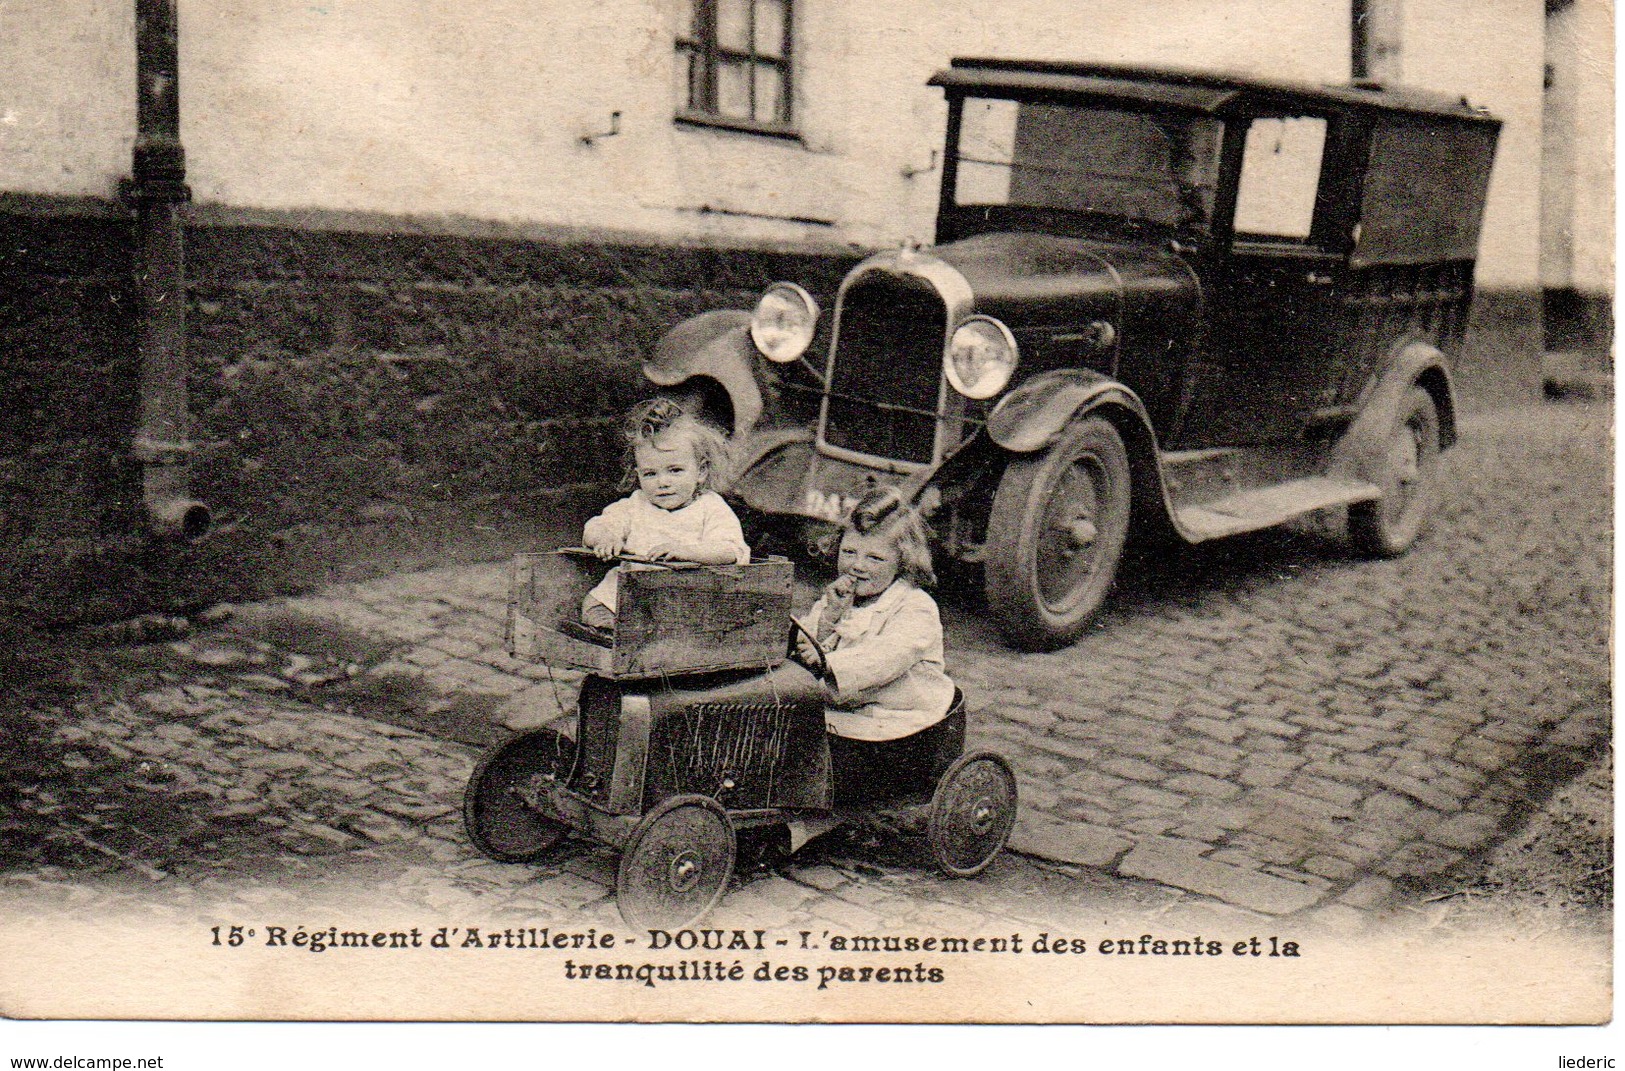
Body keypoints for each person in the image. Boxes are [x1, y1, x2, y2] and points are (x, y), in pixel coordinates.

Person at [794, 488, 958, 799]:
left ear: (903, 561)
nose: (858, 566)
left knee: (811, 741)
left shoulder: (915, 607)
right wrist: (828, 618)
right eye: (849, 552)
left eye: (875, 558)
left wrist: (828, 663)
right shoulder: (841, 597)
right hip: (846, 706)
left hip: (896, 718)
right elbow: (807, 640)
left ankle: (812, 808)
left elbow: (885, 658)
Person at [579, 398, 749, 632]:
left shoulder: (710, 507)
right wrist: (606, 536)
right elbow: (596, 526)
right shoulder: (636, 505)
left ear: (700, 471)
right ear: (638, 475)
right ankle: (616, 633)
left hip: (686, 596)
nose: (663, 483)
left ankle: (644, 636)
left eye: (675, 471)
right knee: (595, 605)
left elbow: (730, 550)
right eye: (650, 474)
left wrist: (688, 552)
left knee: (691, 619)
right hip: (631, 595)